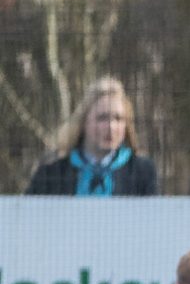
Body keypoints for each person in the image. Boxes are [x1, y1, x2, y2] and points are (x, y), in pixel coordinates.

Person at [25, 76, 158, 196]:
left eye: (118, 119)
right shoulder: (52, 173)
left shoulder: (141, 172)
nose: (111, 127)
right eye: (102, 118)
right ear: (84, 122)